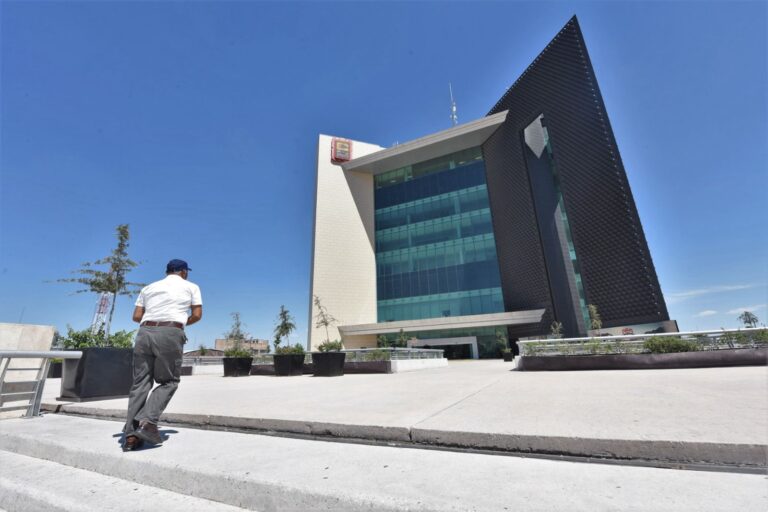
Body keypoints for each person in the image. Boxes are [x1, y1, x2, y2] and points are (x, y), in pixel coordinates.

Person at [122, 259, 202, 451]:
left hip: (144, 333)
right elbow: (197, 315)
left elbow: (136, 316)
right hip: (170, 332)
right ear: (183, 272)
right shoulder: (191, 287)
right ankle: (148, 423)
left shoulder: (149, 288)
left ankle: (131, 434)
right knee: (169, 381)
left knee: (140, 383)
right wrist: (179, 322)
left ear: (168, 272)